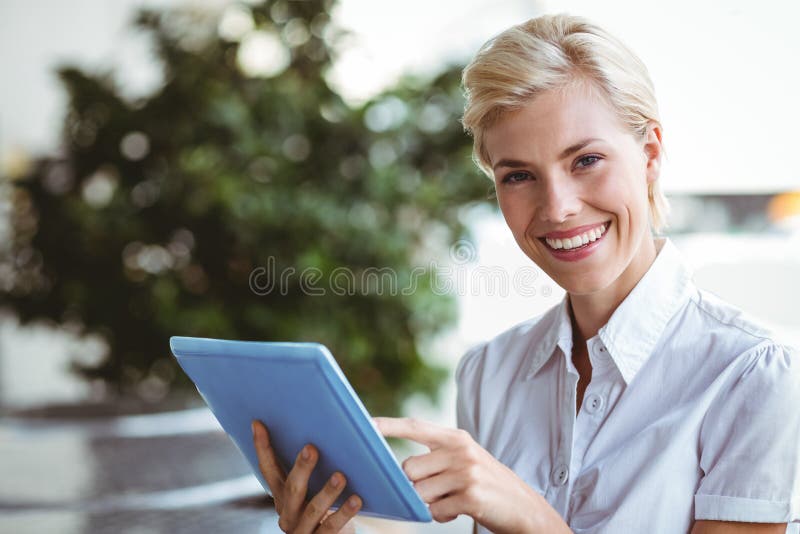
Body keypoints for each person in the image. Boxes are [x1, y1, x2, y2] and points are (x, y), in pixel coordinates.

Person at [251, 13, 800, 534]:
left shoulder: (750, 375)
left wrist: (530, 517)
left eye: (585, 160)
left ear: (650, 154)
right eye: (518, 176)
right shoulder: (489, 373)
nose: (557, 206)